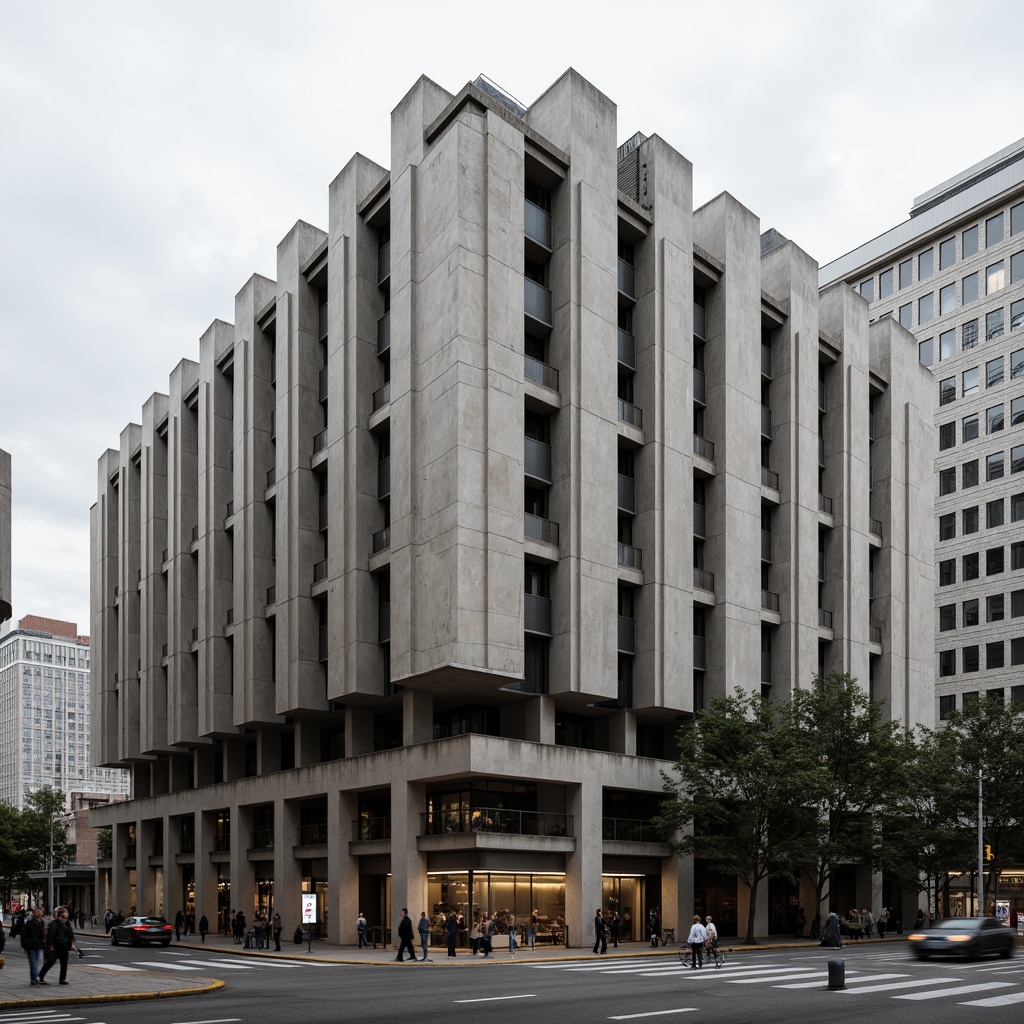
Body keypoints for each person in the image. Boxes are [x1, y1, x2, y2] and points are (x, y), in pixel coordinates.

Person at [39, 907, 77, 986]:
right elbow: (51, 936)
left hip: (64, 946)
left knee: (64, 963)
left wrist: (72, 943)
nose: (65, 917)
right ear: (59, 915)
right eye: (64, 915)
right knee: (50, 962)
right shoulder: (54, 923)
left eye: (66, 916)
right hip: (56, 946)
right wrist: (51, 947)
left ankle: (62, 979)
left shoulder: (67, 923)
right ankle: (41, 976)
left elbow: (71, 934)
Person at [22, 907, 46, 986]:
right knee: (34, 963)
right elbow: (24, 935)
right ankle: (36, 978)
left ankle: (33, 979)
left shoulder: (41, 922)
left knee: (35, 962)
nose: (39, 913)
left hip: (37, 945)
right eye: (37, 912)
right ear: (33, 913)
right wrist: (25, 944)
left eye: (40, 912)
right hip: (31, 945)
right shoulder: (29, 923)